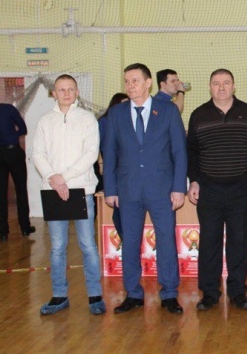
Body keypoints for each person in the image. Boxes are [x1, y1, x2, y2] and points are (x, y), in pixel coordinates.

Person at [103, 63, 187, 315]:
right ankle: (133, 293)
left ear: (148, 83)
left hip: (162, 189)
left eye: (135, 80)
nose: (130, 86)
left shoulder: (168, 110)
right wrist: (110, 189)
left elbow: (179, 151)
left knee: (166, 241)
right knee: (130, 242)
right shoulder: (116, 113)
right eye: (127, 81)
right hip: (127, 190)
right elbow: (109, 152)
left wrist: (178, 187)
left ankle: (169, 293)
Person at [187, 69, 247, 311]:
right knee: (209, 241)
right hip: (209, 189)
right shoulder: (198, 115)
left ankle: (237, 292)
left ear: (234, 86)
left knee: (239, 241)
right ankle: (209, 293)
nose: (221, 87)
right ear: (209, 87)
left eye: (226, 83)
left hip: (241, 189)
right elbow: (191, 152)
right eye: (216, 83)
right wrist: (194, 180)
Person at [32, 74, 105, 315]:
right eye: (61, 89)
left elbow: (90, 154)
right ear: (54, 93)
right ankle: (59, 296)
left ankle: (95, 296)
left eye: (70, 89)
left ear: (77, 92)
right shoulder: (45, 121)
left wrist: (64, 177)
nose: (66, 93)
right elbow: (38, 154)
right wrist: (53, 177)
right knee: (57, 247)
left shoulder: (87, 119)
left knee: (88, 245)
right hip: (53, 191)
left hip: (81, 191)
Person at [96, 92, 128, 240]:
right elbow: (99, 145)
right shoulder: (104, 121)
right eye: (124, 103)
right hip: (109, 165)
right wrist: (101, 163)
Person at [0, 103, 33, 241]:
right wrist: (12, 135)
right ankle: (25, 227)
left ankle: (2, 232)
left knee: (1, 193)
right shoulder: (8, 108)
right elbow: (23, 129)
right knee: (21, 189)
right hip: (13, 151)